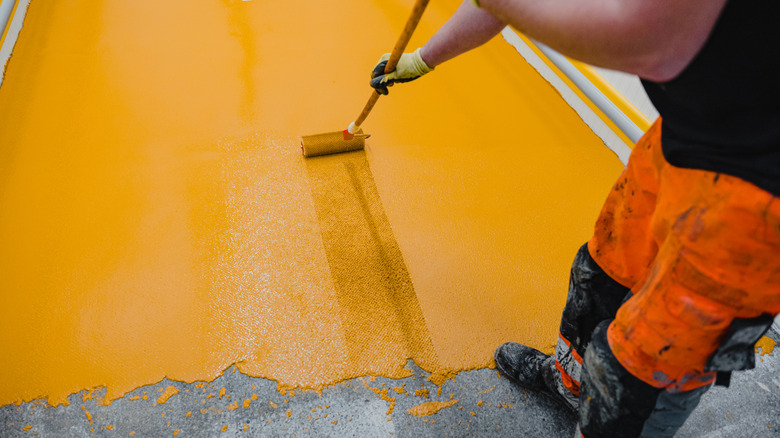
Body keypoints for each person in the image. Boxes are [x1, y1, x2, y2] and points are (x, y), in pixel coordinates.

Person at [369, 1, 780, 436]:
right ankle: (569, 382)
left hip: (758, 196)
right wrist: (423, 59)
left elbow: (653, 44)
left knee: (650, 364)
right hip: (688, 130)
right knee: (601, 273)